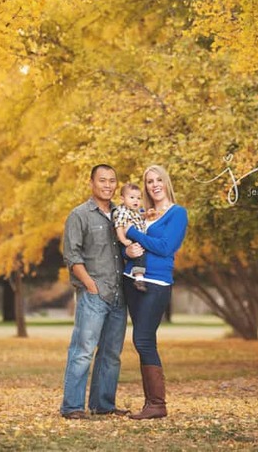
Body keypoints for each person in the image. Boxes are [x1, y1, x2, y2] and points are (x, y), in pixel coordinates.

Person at [60, 164, 136, 419]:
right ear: (91, 183)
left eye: (112, 181)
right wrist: (90, 285)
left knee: (111, 354)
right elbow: (72, 255)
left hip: (119, 295)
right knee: (82, 351)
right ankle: (72, 407)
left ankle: (102, 405)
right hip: (94, 294)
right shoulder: (79, 215)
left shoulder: (122, 214)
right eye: (102, 180)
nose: (107, 185)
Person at [122, 165, 188, 420]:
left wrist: (133, 233)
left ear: (166, 182)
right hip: (131, 280)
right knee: (144, 341)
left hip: (157, 283)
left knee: (142, 338)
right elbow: (125, 243)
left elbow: (165, 247)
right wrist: (127, 250)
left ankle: (157, 404)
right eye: (149, 181)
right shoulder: (141, 212)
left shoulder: (177, 214)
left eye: (159, 179)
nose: (154, 184)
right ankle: (151, 403)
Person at [111, 183, 149, 292]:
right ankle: (139, 278)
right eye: (132, 197)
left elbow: (140, 216)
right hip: (129, 238)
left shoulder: (134, 211)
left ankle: (139, 276)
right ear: (122, 198)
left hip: (136, 236)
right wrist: (123, 240)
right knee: (139, 253)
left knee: (141, 253)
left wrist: (146, 214)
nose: (135, 201)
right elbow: (119, 226)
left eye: (138, 198)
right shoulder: (123, 212)